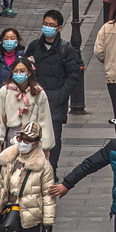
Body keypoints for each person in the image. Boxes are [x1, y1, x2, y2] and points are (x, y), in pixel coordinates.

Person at [25, 9, 81, 169]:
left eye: (51, 25)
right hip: (35, 101)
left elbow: (73, 76)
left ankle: (51, 170)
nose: (47, 27)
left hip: (55, 102)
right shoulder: (34, 46)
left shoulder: (66, 49)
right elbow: (24, 68)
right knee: (32, 136)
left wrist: (60, 96)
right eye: (45, 24)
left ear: (59, 28)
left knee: (53, 138)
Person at [0, 55, 55, 154]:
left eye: (22, 71)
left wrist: (46, 146)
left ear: (29, 73)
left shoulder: (38, 93)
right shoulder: (5, 91)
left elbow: (44, 119)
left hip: (32, 138)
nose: (18, 74)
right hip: (12, 135)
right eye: (15, 71)